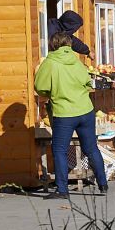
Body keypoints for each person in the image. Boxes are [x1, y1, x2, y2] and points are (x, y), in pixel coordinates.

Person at [34, 32, 108, 199]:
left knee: (59, 150)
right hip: (85, 110)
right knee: (91, 148)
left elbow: (40, 87)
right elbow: (87, 82)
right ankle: (103, 184)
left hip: (64, 112)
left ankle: (62, 190)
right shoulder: (76, 61)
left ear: (53, 45)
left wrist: (52, 92)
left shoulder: (50, 63)